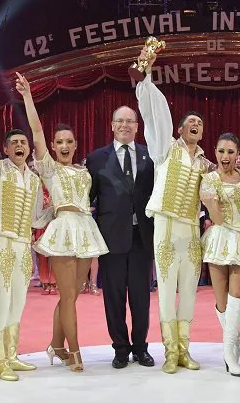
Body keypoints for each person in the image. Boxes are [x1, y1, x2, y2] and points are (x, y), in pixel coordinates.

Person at [15, 73, 108, 373]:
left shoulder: (84, 171)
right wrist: (28, 96)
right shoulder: (50, 169)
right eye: (59, 142)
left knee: (72, 296)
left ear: (75, 144)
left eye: (69, 141)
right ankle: (75, 352)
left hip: (85, 230)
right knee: (68, 296)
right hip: (63, 229)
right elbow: (37, 131)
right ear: (53, 147)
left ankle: (56, 345)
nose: (64, 146)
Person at [136, 48, 214, 374]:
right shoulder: (165, 149)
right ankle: (169, 351)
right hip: (167, 226)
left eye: (200, 122)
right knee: (167, 288)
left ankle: (184, 349)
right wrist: (148, 76)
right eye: (190, 122)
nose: (195, 124)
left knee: (191, 291)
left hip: (191, 229)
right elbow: (155, 116)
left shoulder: (207, 163)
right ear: (179, 130)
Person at [0, 106, 52, 380]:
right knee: (2, 300)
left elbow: (37, 218)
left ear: (29, 149)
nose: (19, 146)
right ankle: (0, 360)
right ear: (5, 149)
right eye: (14, 143)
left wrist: (59, 209)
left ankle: (13, 354)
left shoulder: (33, 178)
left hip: (23, 244)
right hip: (1, 242)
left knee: (19, 300)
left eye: (23, 143)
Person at [86, 105, 155, 369]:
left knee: (141, 297)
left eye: (130, 121)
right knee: (113, 297)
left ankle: (140, 347)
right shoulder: (96, 159)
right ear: (112, 125)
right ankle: (120, 348)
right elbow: (88, 198)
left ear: (137, 127)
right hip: (111, 239)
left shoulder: (151, 157)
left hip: (142, 237)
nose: (125, 125)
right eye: (120, 121)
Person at [200, 132, 240, 377]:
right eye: (222, 151)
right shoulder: (209, 179)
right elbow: (218, 218)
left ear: (237, 154)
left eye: (231, 152)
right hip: (219, 238)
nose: (226, 156)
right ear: (215, 152)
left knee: (237, 294)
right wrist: (211, 203)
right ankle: (231, 346)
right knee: (222, 300)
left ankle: (230, 353)